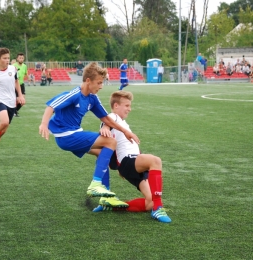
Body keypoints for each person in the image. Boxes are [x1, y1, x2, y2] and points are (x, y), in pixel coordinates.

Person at [39, 62, 140, 199]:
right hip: (66, 136)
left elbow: (105, 118)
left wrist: (126, 131)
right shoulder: (74, 94)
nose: (101, 86)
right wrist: (44, 124)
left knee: (101, 152)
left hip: (74, 133)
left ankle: (106, 196)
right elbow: (51, 106)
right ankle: (96, 184)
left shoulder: (92, 98)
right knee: (110, 142)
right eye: (98, 83)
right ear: (88, 81)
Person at [92, 91, 172, 223]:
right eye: (127, 105)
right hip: (129, 160)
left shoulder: (122, 122)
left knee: (149, 202)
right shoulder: (114, 117)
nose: (130, 109)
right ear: (116, 105)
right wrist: (105, 127)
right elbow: (107, 121)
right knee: (155, 161)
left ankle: (114, 207)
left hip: (134, 165)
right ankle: (158, 208)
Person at [0, 47, 25, 145]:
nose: (7, 60)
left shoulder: (13, 69)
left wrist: (20, 95)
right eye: (4, 58)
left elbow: (16, 81)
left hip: (11, 102)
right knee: (4, 122)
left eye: (8, 58)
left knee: (3, 131)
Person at [13, 52, 28, 117]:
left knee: (23, 101)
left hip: (22, 84)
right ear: (17, 59)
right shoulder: (13, 66)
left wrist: (28, 77)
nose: (21, 59)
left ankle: (14, 111)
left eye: (22, 58)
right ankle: (14, 112)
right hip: (15, 84)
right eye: (20, 58)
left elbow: (25, 74)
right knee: (17, 100)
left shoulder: (25, 66)